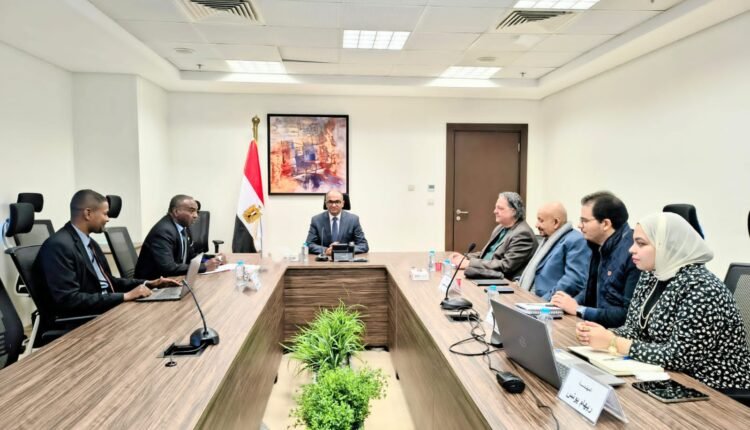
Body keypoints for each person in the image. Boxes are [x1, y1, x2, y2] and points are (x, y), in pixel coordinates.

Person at [575, 212, 750, 390]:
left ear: (667, 246)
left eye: (641, 243)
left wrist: (613, 342)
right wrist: (600, 334)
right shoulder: (651, 275)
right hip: (665, 375)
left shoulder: (702, 288)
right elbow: (634, 330)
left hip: (713, 387)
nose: (631, 249)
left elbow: (679, 357)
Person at [35, 190, 177, 317]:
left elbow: (110, 281)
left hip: (104, 308)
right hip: (83, 320)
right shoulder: (58, 246)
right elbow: (69, 300)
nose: (108, 219)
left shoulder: (90, 243)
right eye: (105, 213)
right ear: (88, 213)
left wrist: (149, 283)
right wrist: (125, 296)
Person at [551, 191, 639, 328]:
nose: (579, 225)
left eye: (584, 221)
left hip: (612, 334)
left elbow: (627, 315)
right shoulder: (597, 246)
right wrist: (566, 304)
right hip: (593, 327)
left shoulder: (634, 254)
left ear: (605, 224)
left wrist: (579, 309)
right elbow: (591, 292)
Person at [450, 191, 537, 280]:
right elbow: (487, 254)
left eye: (500, 208)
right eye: (495, 208)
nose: (495, 211)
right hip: (487, 274)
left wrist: (469, 263)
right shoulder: (500, 228)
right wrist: (465, 257)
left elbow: (506, 266)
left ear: (513, 211)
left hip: (504, 281)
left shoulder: (523, 234)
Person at [135, 195, 223, 280]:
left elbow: (190, 256)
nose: (196, 215)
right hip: (152, 286)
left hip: (173, 280)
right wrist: (204, 266)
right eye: (191, 211)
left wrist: (213, 258)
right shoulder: (163, 232)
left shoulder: (182, 227)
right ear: (176, 212)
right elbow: (169, 268)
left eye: (197, 211)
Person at [516, 202, 591, 300]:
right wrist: (519, 281)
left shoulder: (576, 240)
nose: (536, 225)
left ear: (556, 222)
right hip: (527, 298)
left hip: (545, 303)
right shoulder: (548, 239)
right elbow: (535, 269)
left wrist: (543, 301)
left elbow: (573, 281)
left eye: (541, 220)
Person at [306, 190, 369, 255]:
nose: (333, 205)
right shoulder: (317, 220)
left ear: (343, 203)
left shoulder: (353, 220)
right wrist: (326, 250)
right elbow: (309, 244)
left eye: (337, 202)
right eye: (330, 202)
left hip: (346, 259)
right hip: (325, 259)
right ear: (326, 204)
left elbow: (363, 245)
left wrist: (342, 249)